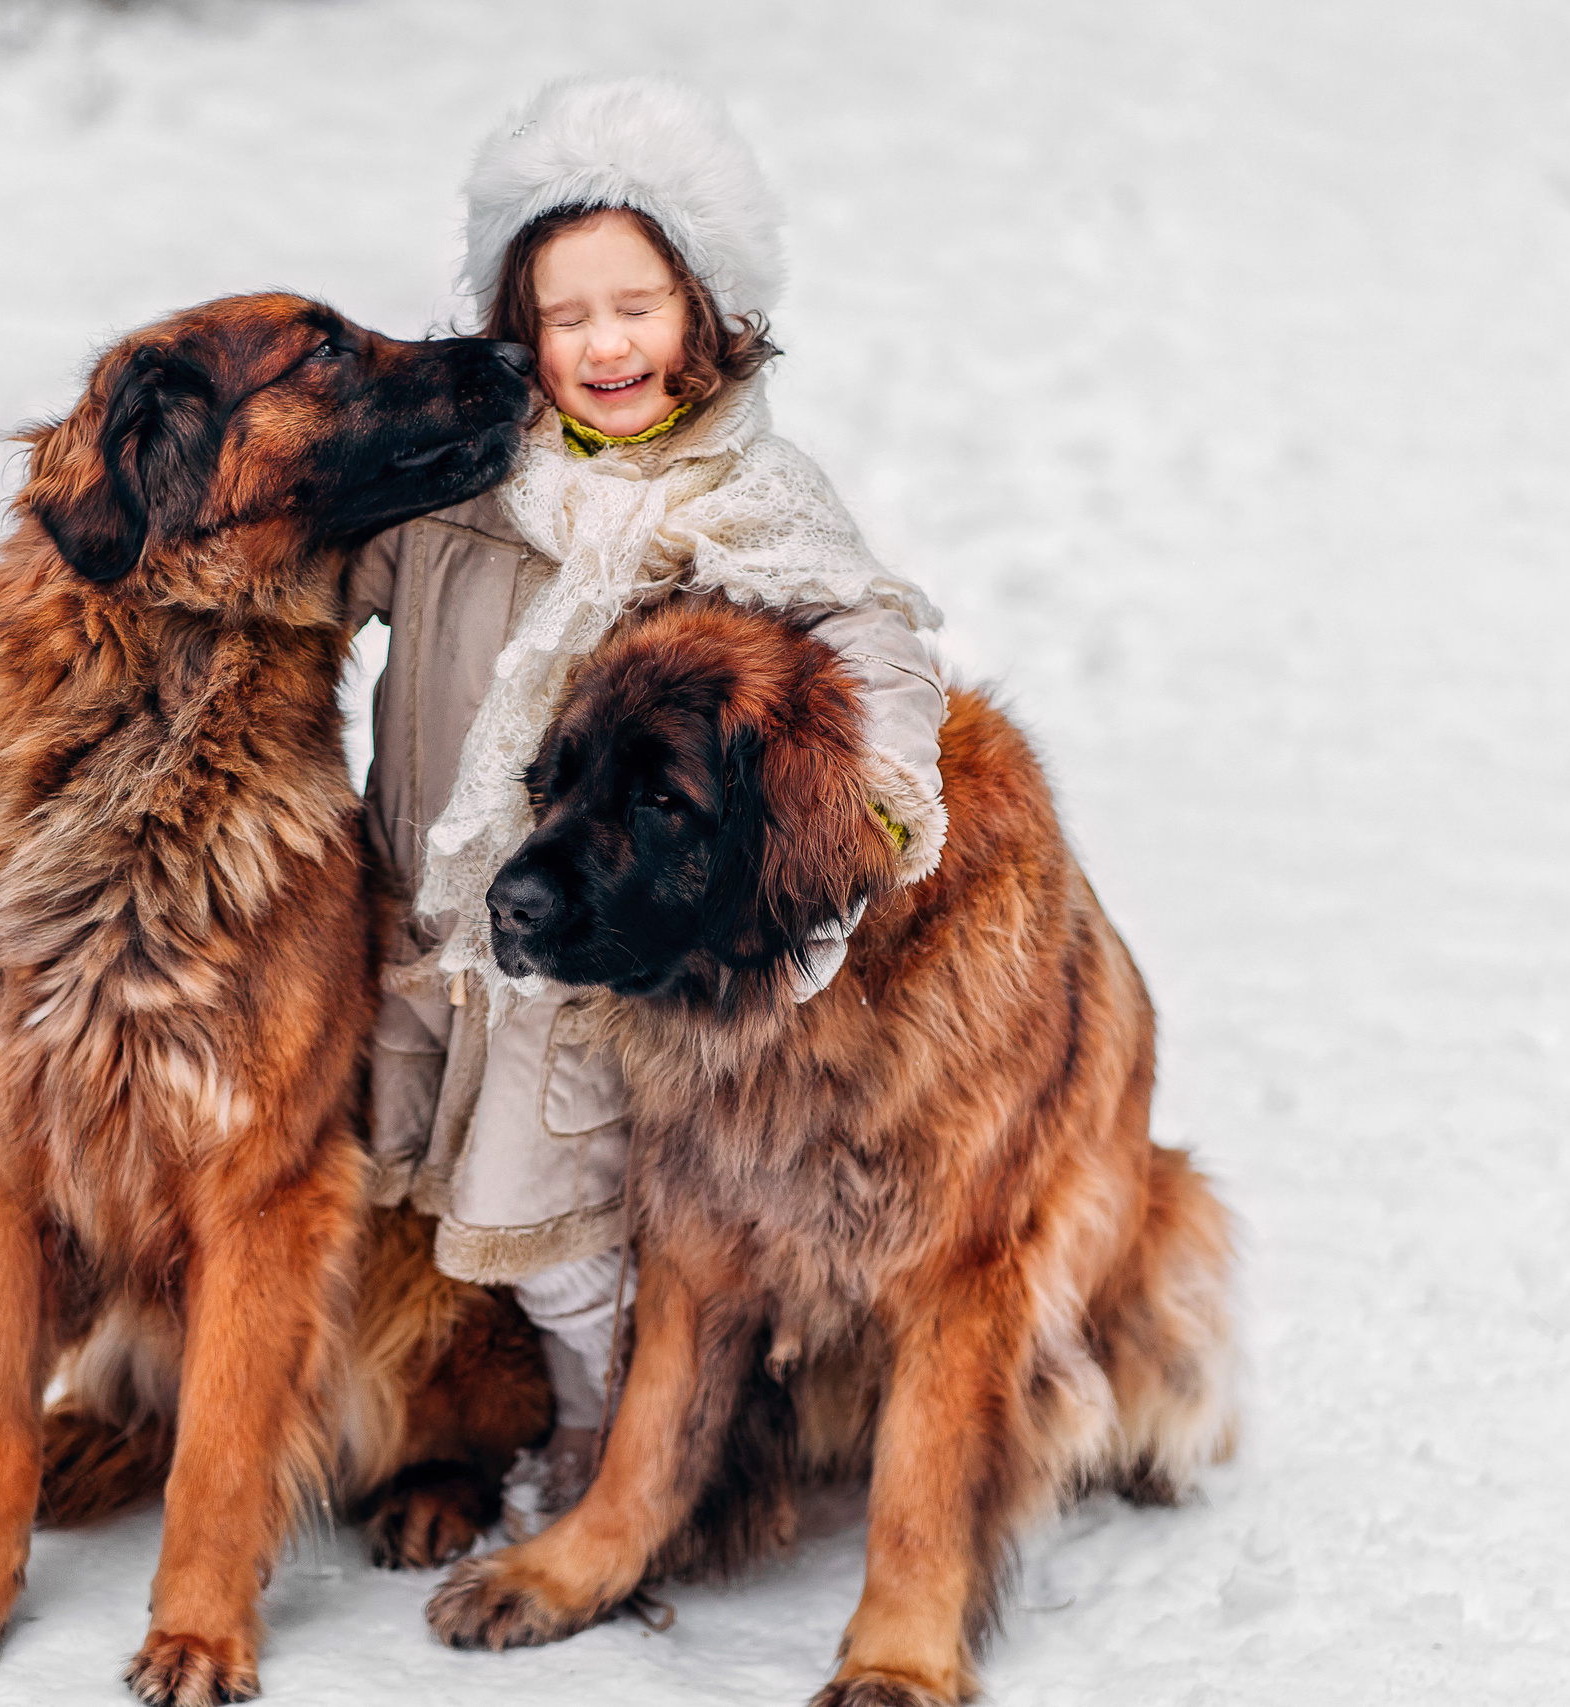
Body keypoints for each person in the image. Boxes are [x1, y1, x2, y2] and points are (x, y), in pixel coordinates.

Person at [344, 76, 949, 1511]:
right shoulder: (458, 490)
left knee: (572, 1221)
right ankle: (461, 1407)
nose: (604, 344)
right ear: (519, 329)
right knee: (403, 1181)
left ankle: (616, 1441)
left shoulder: (740, 500)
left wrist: (879, 789)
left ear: (708, 309)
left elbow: (866, 632)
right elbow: (318, 579)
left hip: (585, 947)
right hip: (428, 921)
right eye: (565, 316)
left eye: (638, 306)